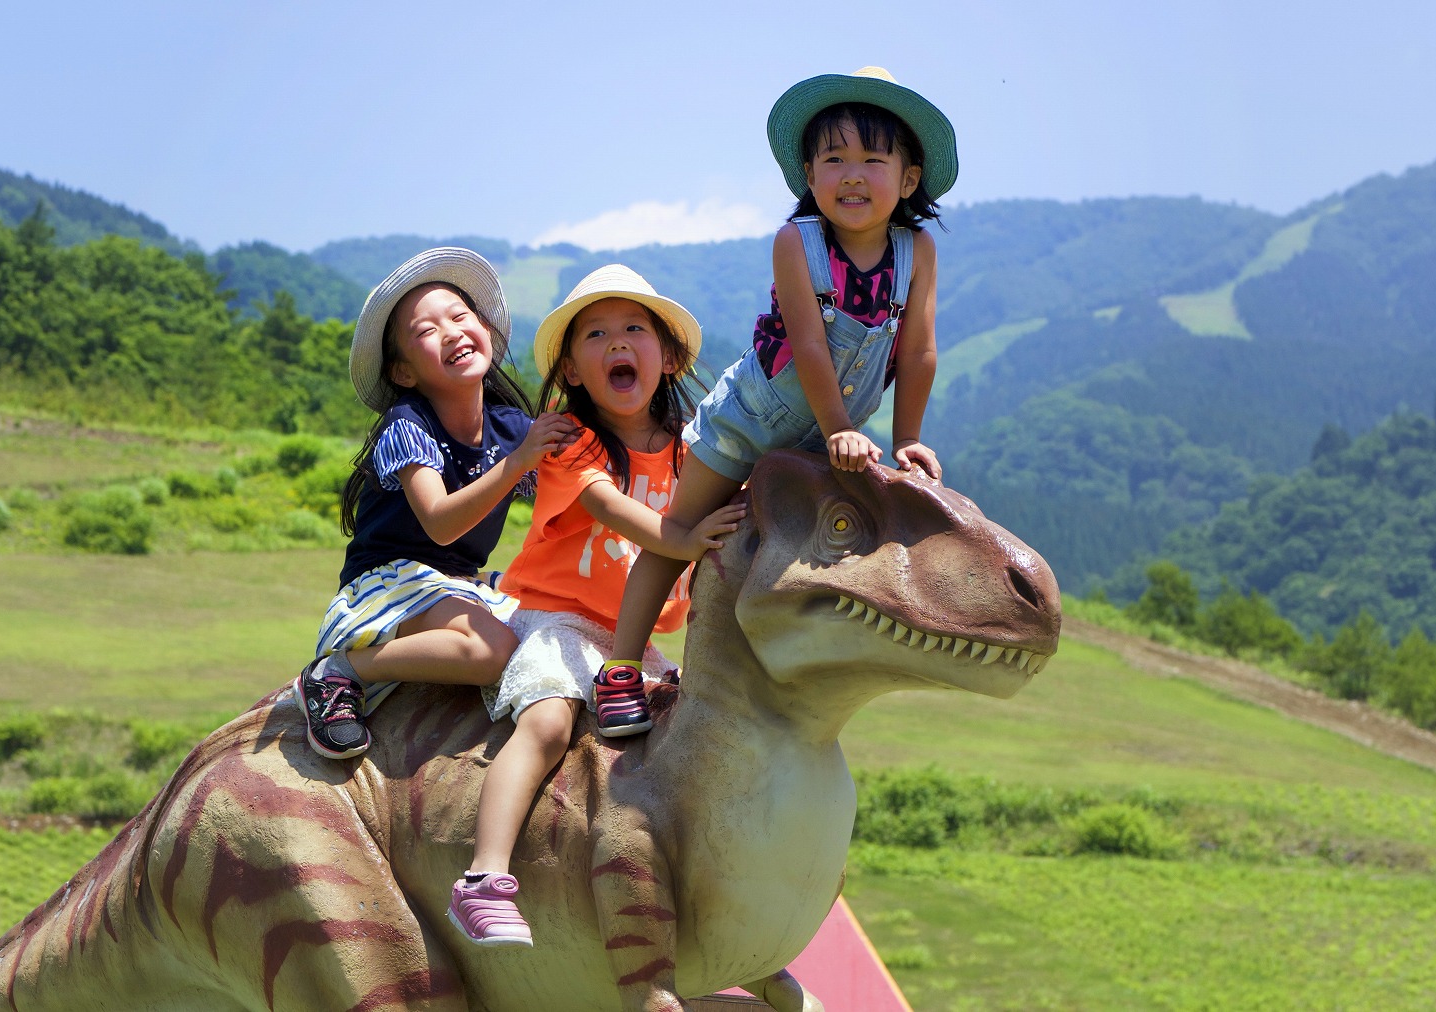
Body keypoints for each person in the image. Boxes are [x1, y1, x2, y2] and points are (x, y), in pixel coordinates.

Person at [597, 66, 957, 733]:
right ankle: (619, 670)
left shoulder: (918, 251)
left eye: (873, 159)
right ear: (808, 175)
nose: (852, 174)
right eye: (833, 158)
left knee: (815, 552)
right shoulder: (798, 242)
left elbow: (918, 350)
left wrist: (907, 436)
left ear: (908, 179)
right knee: (677, 534)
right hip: (749, 422)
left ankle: (772, 687)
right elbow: (812, 346)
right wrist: (843, 427)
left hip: (833, 434)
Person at [446, 265, 746, 947]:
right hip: (557, 617)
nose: (618, 342)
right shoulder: (571, 444)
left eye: (634, 328)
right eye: (597, 334)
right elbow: (609, 508)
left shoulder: (692, 448)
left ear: (666, 358)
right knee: (549, 722)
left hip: (630, 640)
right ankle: (483, 878)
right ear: (574, 371)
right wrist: (686, 538)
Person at [295, 247, 576, 760]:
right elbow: (441, 523)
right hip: (390, 582)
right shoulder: (409, 424)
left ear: (484, 330)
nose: (449, 332)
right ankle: (341, 671)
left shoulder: (511, 426)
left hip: (458, 584)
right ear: (403, 372)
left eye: (460, 316)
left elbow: (576, 490)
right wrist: (518, 463)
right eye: (425, 331)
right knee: (492, 651)